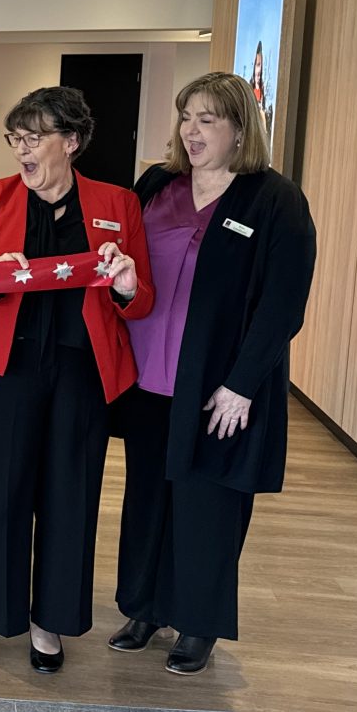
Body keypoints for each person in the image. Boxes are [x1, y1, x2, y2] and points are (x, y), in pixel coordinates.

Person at [109, 72, 316, 675]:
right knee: (148, 495)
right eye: (185, 118)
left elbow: (285, 302)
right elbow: (123, 261)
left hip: (218, 387)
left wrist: (244, 383)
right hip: (149, 377)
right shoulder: (156, 184)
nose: (191, 132)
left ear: (240, 129)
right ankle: (144, 607)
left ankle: (197, 623)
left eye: (208, 120)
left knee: (209, 503)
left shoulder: (274, 199)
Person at [0, 86, 152, 673]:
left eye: (33, 137)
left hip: (82, 370)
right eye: (16, 138)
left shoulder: (118, 202)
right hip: (7, 366)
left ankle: (50, 619)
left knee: (71, 495)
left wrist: (125, 285)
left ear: (72, 141)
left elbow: (142, 301)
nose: (22, 149)